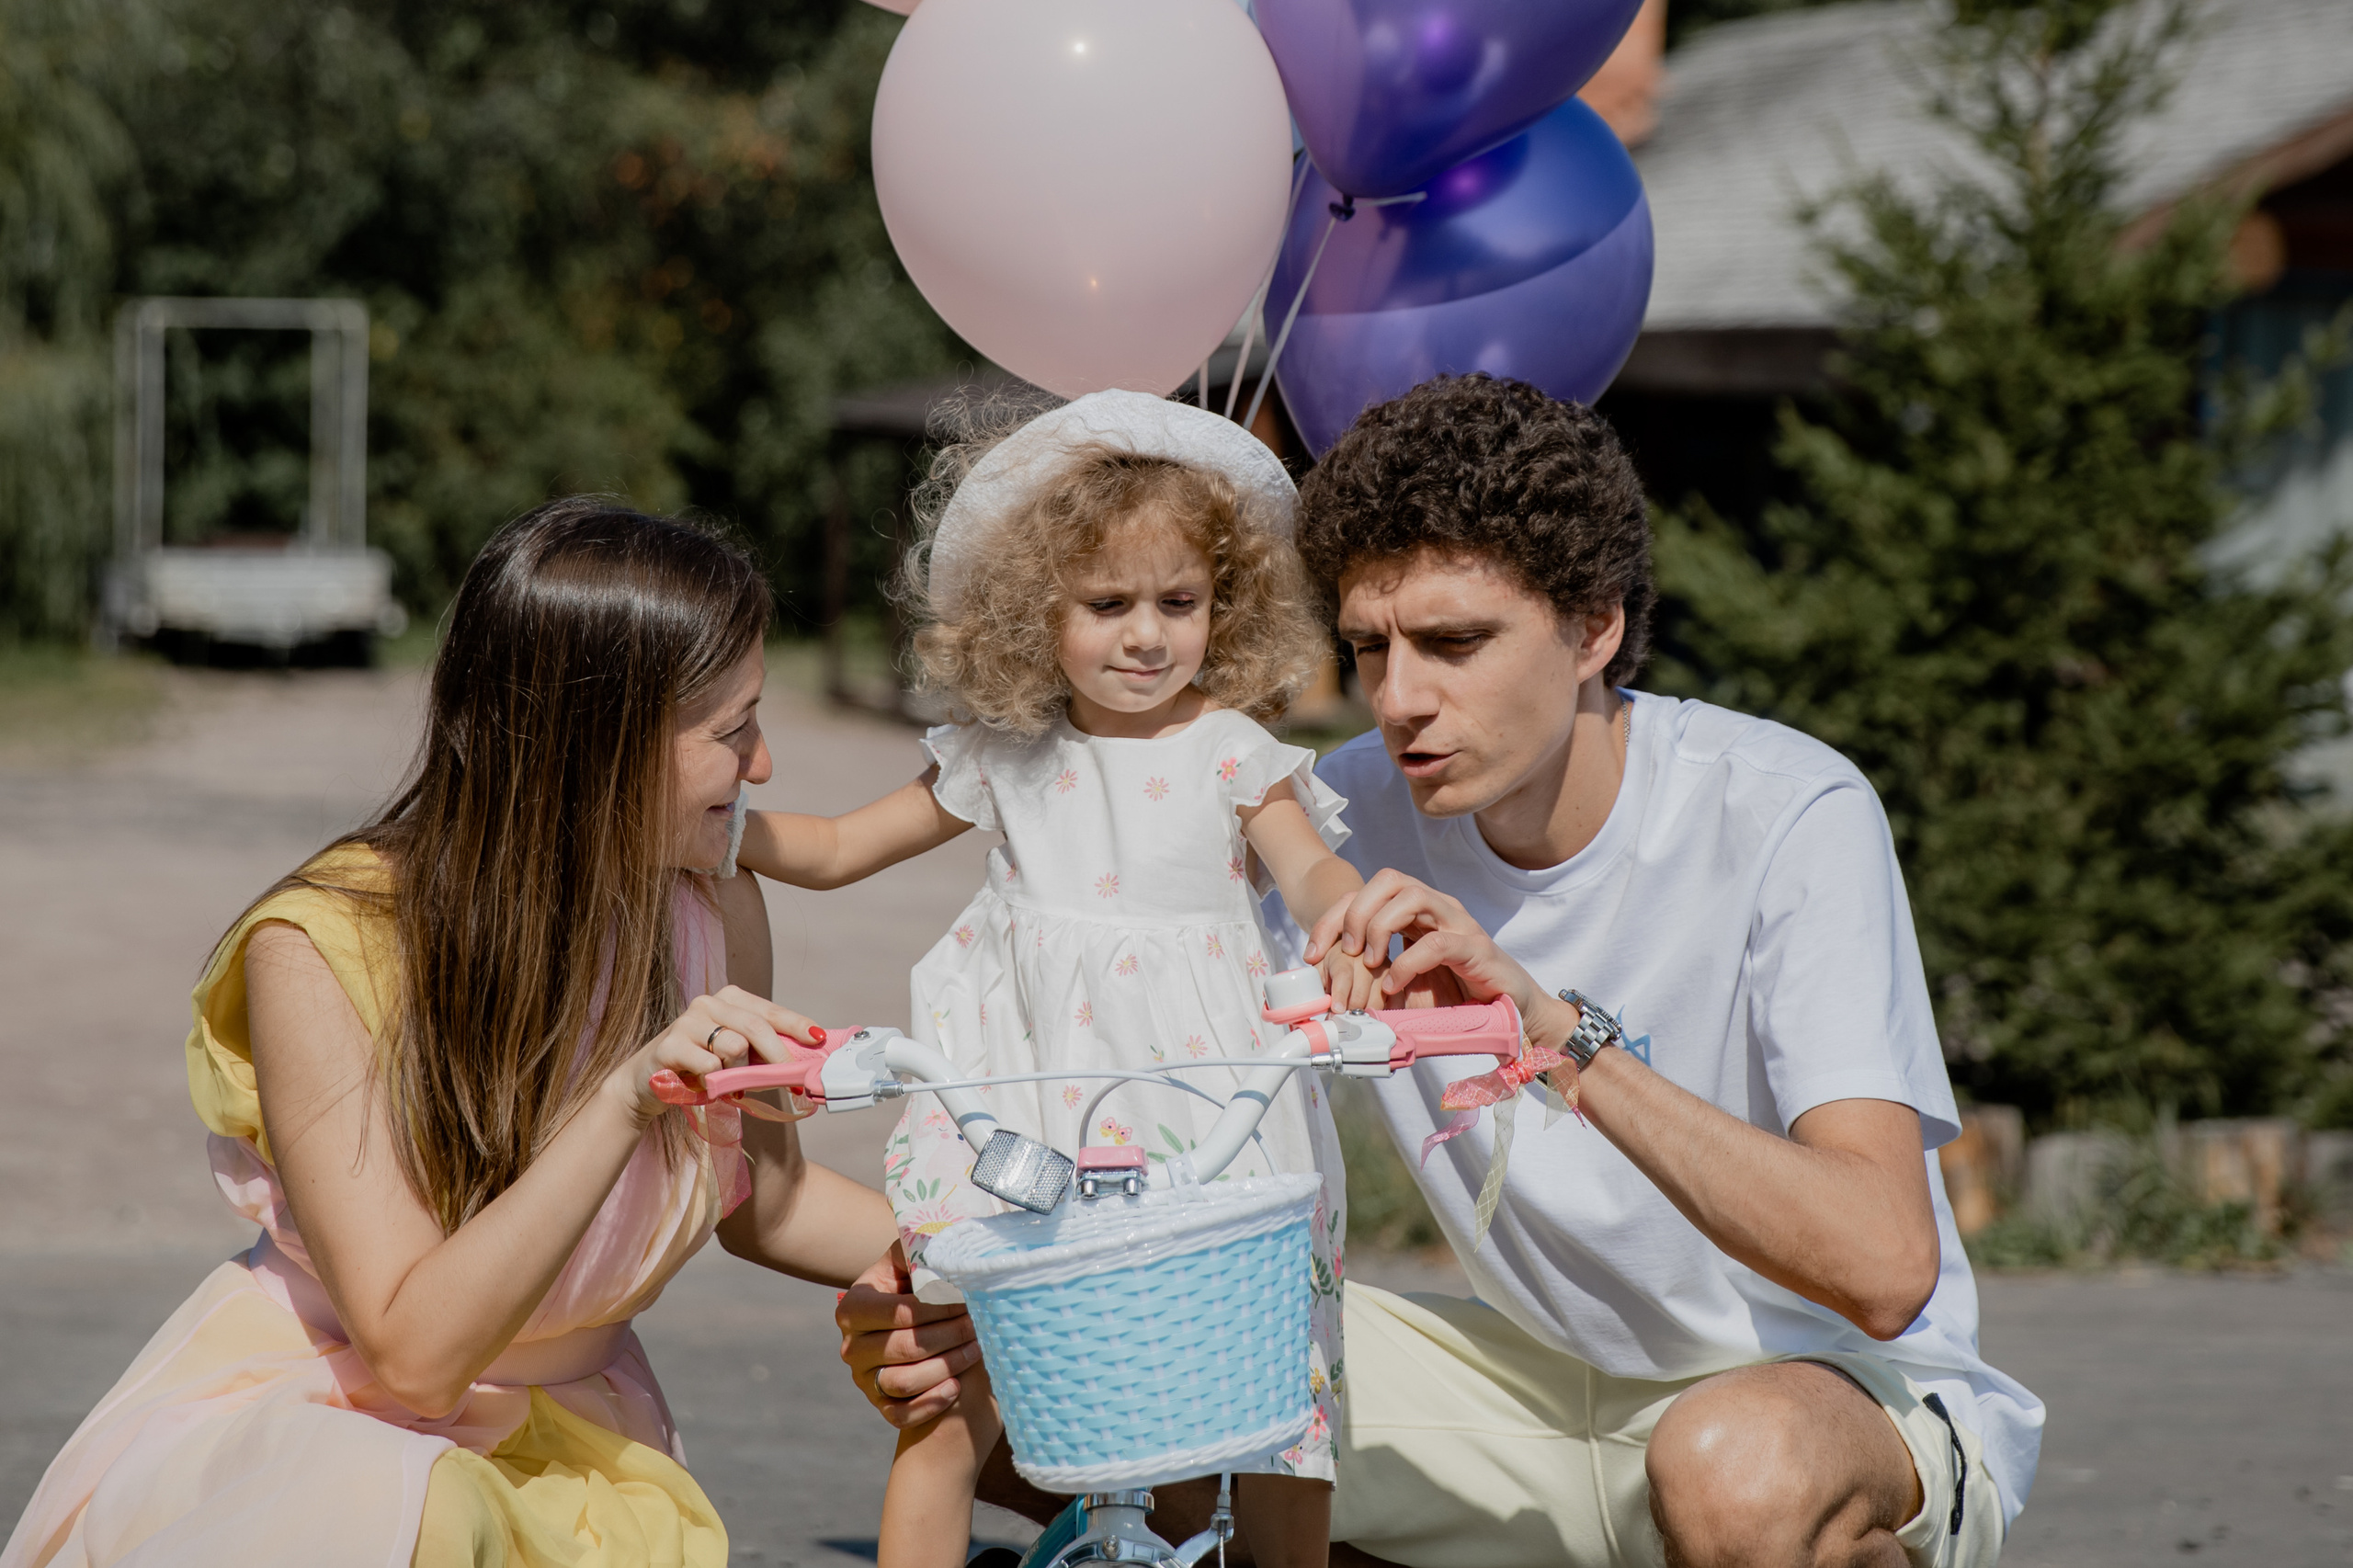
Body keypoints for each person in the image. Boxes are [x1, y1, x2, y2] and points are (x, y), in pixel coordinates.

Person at [839, 376, 2043, 1568]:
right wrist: (950, 1280)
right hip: (1522, 1390)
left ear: (1595, 627)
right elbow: (1136, 1066)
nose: (1401, 700)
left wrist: (1553, 1032)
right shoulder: (1340, 809)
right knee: (1052, 1382)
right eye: (1369, 646)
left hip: (1828, 1391)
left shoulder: (1785, 808)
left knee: (1738, 1472)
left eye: (1456, 642)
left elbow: (1884, 1268)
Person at [5, 499, 900, 1568]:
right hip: (336, 1435)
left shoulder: (711, 905)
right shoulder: (324, 945)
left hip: (583, 1451)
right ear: (596, 743)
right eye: (732, 728)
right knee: (392, 1513)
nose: (762, 767)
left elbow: (771, 1196)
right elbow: (414, 1358)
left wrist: (1001, 1254)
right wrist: (626, 1097)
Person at [733, 391, 1377, 1568]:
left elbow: (1313, 869)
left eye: (1178, 602)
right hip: (1026, 1110)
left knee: (1278, 1401)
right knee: (957, 1385)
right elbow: (830, 851)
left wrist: (1355, 923)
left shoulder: (1230, 751)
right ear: (1038, 613)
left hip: (1208, 1110)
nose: (1147, 634)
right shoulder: (1005, 757)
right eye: (1108, 603)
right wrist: (708, 827)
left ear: (1221, 605)